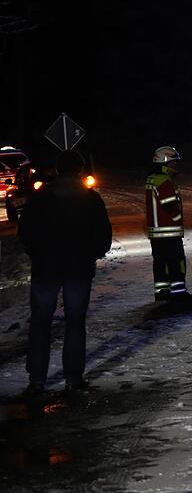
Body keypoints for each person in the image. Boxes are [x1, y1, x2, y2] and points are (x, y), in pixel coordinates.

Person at [18, 150, 112, 395]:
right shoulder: (91, 199)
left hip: (46, 269)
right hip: (78, 270)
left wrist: (37, 254)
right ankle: (73, 377)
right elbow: (103, 236)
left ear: (57, 169)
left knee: (40, 322)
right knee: (75, 322)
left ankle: (37, 379)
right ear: (80, 170)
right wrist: (92, 254)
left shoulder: (41, 198)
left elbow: (25, 231)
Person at [145, 145, 191, 301]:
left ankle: (162, 291)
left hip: (156, 232)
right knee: (176, 263)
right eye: (173, 162)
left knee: (160, 263)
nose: (176, 166)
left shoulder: (152, 178)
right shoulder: (164, 181)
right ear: (165, 162)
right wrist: (179, 220)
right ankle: (179, 293)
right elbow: (170, 205)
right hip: (169, 231)